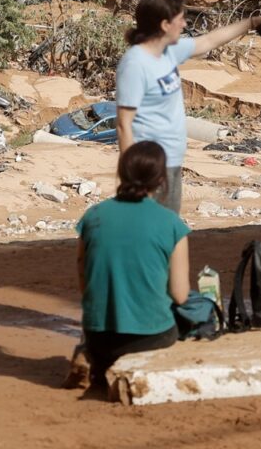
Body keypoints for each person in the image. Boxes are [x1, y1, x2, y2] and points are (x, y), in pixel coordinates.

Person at [116, 0, 261, 213]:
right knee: (153, 234)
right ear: (164, 25)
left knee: (166, 232)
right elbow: (124, 124)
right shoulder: (135, 64)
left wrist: (253, 23)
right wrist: (131, 178)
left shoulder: (168, 51)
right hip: (148, 168)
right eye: (181, 19)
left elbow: (208, 41)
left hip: (171, 160)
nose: (184, 25)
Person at [76, 142, 190, 387]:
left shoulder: (93, 216)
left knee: (100, 347)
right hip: (152, 334)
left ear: (121, 173)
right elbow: (180, 295)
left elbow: (84, 275)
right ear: (161, 181)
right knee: (186, 321)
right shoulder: (171, 224)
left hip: (99, 335)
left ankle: (94, 361)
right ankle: (129, 370)